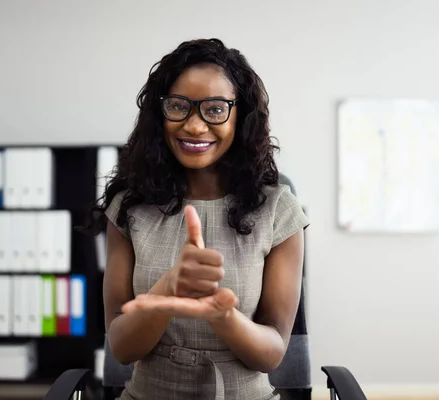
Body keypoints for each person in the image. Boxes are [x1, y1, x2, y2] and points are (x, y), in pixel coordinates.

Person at [88, 38, 309, 399]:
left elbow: (271, 354)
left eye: (215, 109)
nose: (194, 125)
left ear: (241, 116)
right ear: (160, 113)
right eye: (179, 106)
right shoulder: (129, 207)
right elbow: (123, 349)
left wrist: (222, 314)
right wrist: (169, 288)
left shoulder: (278, 211)